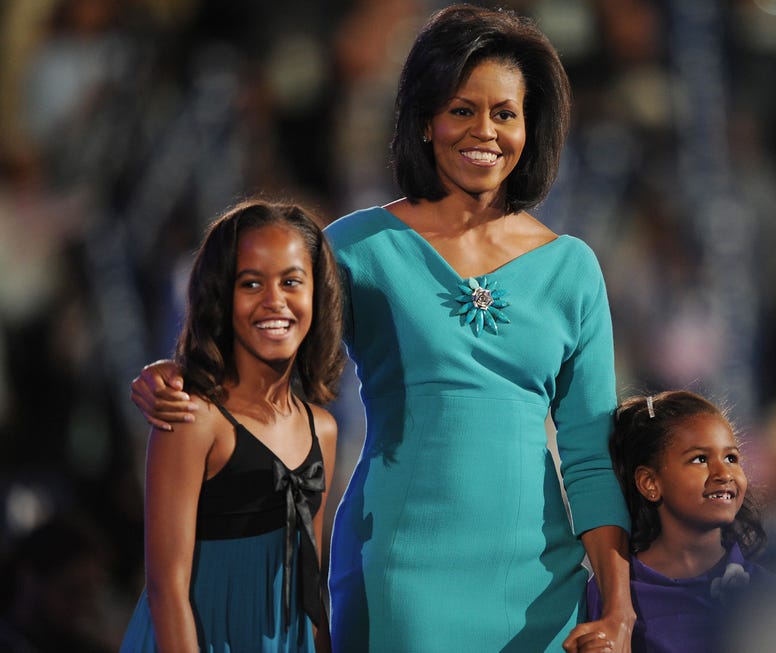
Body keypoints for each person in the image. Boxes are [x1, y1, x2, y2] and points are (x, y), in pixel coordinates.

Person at [130, 5, 635, 651]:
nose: (485, 131)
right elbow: (257, 333)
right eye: (462, 109)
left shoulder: (573, 267)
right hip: (403, 565)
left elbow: (591, 454)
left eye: (505, 113)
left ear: (531, 127)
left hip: (544, 583)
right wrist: (175, 372)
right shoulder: (359, 247)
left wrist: (617, 605)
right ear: (426, 121)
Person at [120, 199, 344, 652]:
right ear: (221, 295)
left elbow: (310, 578)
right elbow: (167, 588)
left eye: (291, 282)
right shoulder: (190, 417)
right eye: (251, 283)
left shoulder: (323, 430)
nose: (274, 300)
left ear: (317, 295)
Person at [578, 391, 772, 653]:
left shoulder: (769, 592)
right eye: (700, 459)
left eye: (731, 458)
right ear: (650, 483)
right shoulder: (611, 593)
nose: (724, 473)